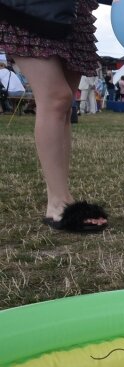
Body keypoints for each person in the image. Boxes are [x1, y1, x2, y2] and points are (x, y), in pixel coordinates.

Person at [0, 0, 108, 232]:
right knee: (56, 99)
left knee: (65, 105)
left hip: (75, 11)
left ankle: (56, 199)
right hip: (30, 7)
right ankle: (60, 201)